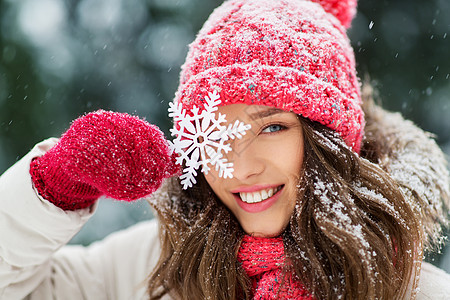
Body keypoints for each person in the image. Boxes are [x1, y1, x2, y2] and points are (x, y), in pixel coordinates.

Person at [1, 0, 449, 299]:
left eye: (272, 127)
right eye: (217, 132)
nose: (241, 167)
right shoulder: (158, 267)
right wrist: (54, 185)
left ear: (332, 139)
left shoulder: (408, 289)